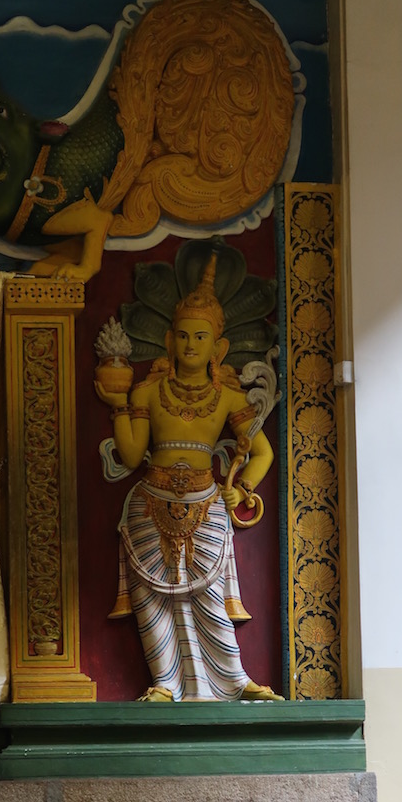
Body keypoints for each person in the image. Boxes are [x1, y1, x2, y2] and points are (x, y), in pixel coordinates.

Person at [95, 256, 282, 703]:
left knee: (209, 597)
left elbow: (262, 450)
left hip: (206, 502)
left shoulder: (227, 396)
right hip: (149, 502)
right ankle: (164, 682)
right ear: (168, 340)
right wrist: (119, 404)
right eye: (183, 335)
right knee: (152, 597)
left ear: (219, 347)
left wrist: (244, 487)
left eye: (201, 336)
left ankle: (235, 681)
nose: (191, 344)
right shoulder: (147, 392)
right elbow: (132, 453)